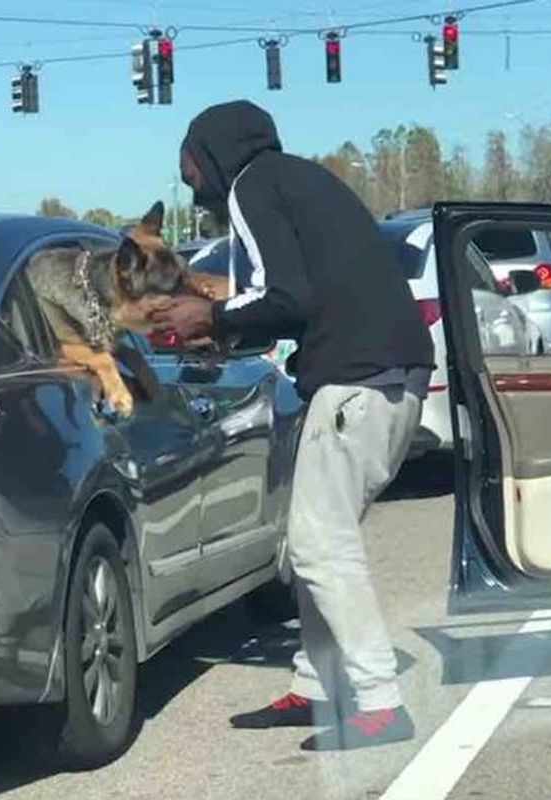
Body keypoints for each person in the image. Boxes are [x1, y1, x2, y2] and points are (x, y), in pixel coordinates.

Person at [152, 100, 435, 752]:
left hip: (358, 382)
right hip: (387, 377)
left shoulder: (253, 185)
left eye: (189, 167)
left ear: (215, 152)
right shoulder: (298, 182)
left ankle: (379, 702)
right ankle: (315, 688)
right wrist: (224, 329)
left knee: (317, 543)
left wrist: (208, 318)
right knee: (313, 538)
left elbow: (285, 294)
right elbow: (300, 301)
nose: (191, 185)